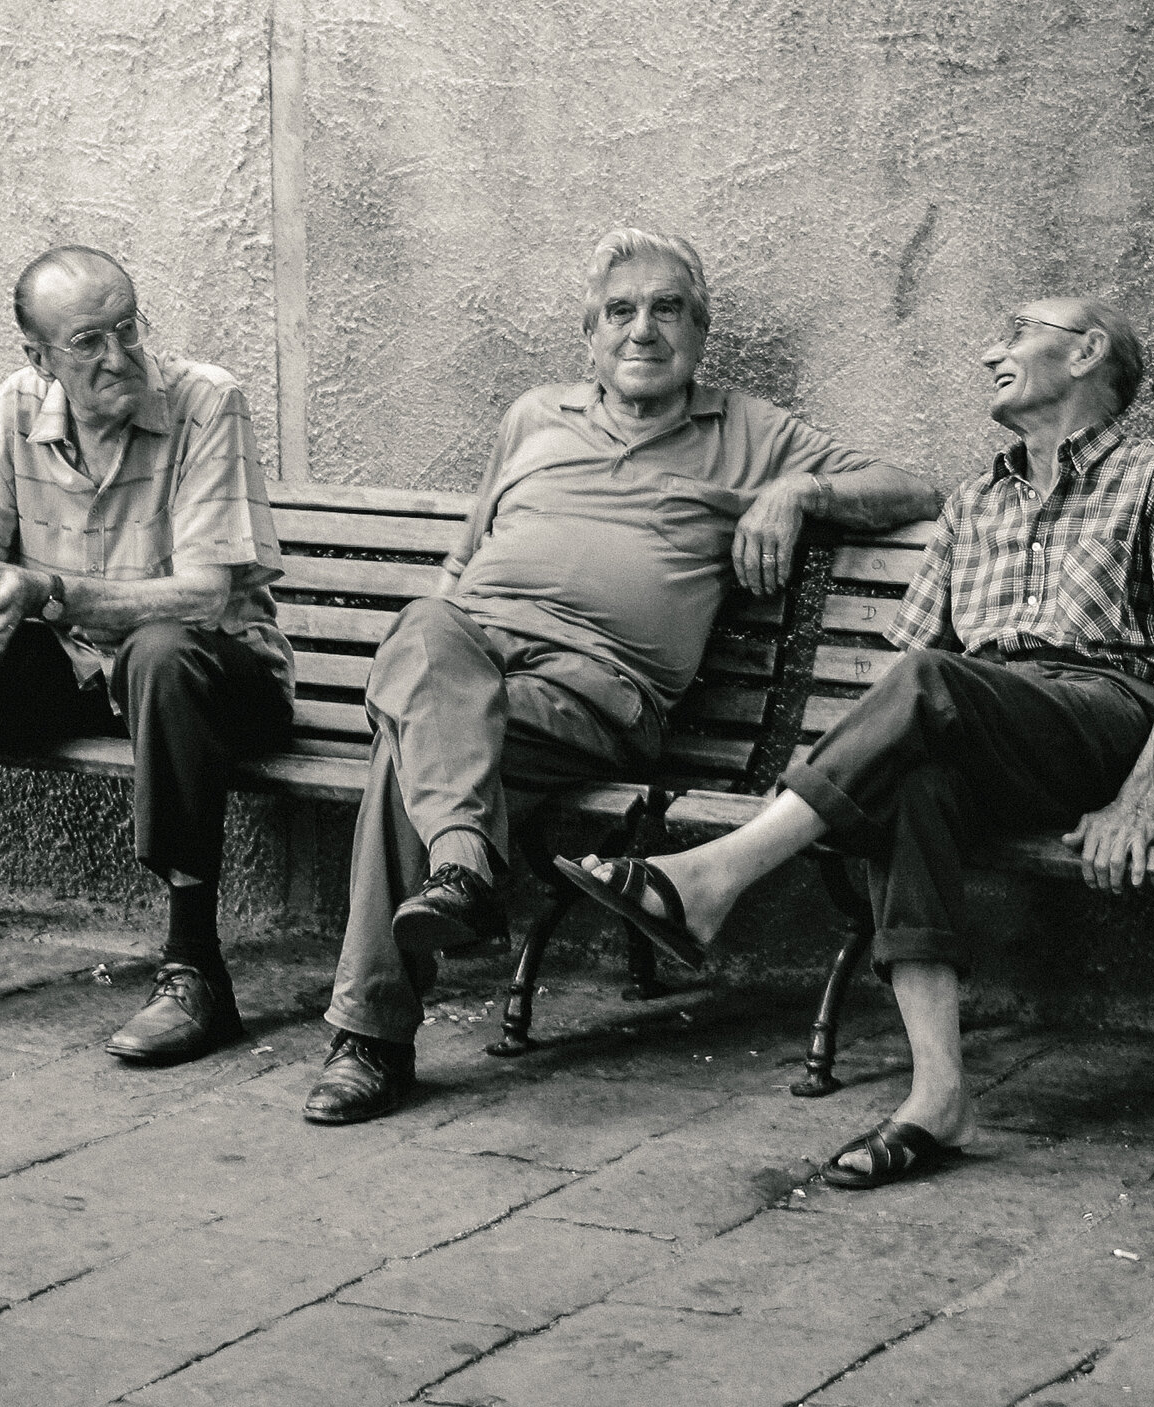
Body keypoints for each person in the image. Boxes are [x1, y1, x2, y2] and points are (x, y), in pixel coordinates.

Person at [562, 297, 1154, 1188]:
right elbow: (914, 665)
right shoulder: (976, 500)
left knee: (932, 685)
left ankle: (713, 873)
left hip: (1099, 713)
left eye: (1017, 331)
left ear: (1085, 353)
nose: (989, 349)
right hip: (981, 720)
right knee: (910, 780)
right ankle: (940, 1095)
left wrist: (1140, 799)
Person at [299, 228, 940, 1125]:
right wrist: (433, 653)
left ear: (700, 332)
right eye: (620, 311)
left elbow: (916, 489)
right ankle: (457, 868)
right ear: (588, 335)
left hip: (595, 694)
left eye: (667, 309)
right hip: (468, 658)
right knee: (424, 636)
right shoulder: (532, 417)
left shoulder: (748, 431)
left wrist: (800, 492)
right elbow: (462, 562)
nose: (643, 330)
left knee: (412, 742)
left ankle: (377, 1026)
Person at [0, 246, 294, 1062]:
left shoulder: (207, 402)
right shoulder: (13, 408)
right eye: (90, 340)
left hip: (215, 677)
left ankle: (195, 969)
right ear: (39, 357)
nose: (120, 353)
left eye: (129, 326)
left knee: (160, 653)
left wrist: (47, 593)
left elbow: (207, 594)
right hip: (75, 672)